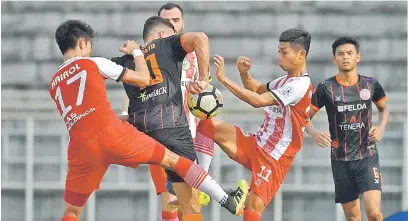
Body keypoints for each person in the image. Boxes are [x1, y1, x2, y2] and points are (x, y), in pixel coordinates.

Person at [50, 19, 248, 221]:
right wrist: (137, 52)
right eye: (89, 45)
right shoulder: (93, 62)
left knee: (72, 212)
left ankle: (202, 190)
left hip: (82, 147)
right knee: (179, 174)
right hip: (134, 131)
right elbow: (144, 78)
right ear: (82, 43)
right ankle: (225, 198)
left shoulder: (54, 83)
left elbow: (85, 111)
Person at [111, 16, 248, 221]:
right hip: (172, 124)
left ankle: (189, 187)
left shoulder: (127, 59)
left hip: (143, 131)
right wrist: (203, 79)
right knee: (191, 205)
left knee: (182, 200)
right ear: (161, 34)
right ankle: (228, 201)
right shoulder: (167, 43)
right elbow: (200, 38)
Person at [195, 28, 313, 221]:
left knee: (251, 211)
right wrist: (244, 73)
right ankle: (202, 186)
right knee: (207, 126)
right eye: (278, 51)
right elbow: (257, 89)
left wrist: (224, 79)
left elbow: (257, 101)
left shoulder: (299, 86)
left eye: (284, 52)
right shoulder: (285, 81)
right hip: (256, 144)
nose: (279, 56)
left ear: (301, 55)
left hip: (274, 158)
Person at [119, 3, 211, 220]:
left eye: (176, 20)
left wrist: (201, 84)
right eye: (168, 21)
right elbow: (133, 88)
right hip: (159, 131)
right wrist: (125, 113)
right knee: (169, 203)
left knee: (189, 203)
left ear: (182, 23)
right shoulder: (145, 55)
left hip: (187, 133)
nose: (173, 24)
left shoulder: (194, 54)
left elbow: (206, 100)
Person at [306, 36, 388, 221]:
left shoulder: (370, 84)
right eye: (340, 54)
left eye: (350, 53)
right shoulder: (325, 88)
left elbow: (384, 109)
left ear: (358, 57)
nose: (345, 57)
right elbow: (304, 117)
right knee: (352, 217)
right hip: (340, 160)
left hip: (367, 156)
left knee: (374, 213)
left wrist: (381, 127)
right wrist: (314, 133)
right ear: (334, 59)